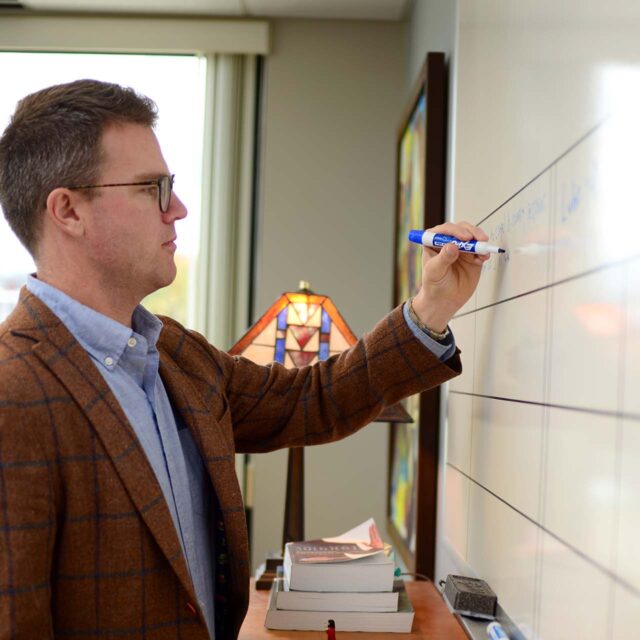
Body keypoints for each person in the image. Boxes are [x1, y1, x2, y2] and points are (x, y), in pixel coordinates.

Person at [0, 79, 489, 640]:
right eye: (151, 188)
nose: (178, 210)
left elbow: (311, 400)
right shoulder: (13, 394)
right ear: (68, 210)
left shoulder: (174, 354)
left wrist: (429, 308)